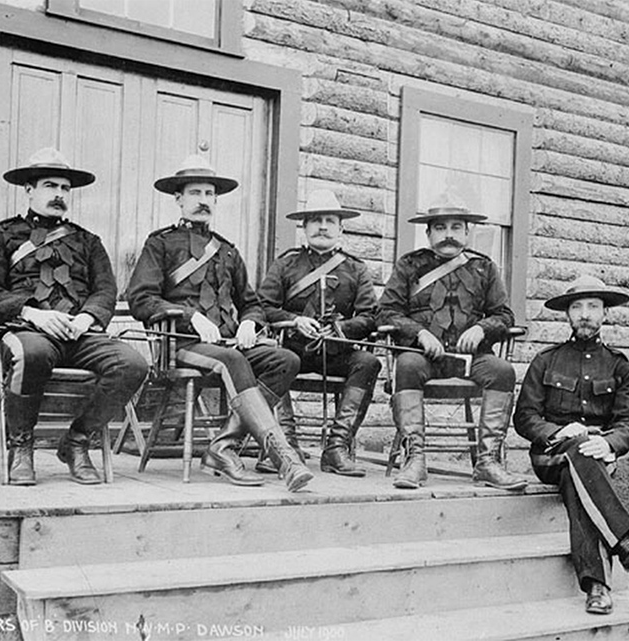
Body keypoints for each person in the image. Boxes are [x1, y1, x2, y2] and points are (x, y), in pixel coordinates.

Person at [125, 155, 313, 492]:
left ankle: (222, 447)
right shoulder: (161, 244)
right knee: (233, 360)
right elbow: (140, 299)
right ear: (178, 199)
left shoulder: (227, 251)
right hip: (181, 346)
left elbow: (252, 303)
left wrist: (250, 324)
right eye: (194, 192)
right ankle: (285, 458)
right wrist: (189, 315)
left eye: (209, 194)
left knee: (285, 360)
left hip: (228, 346)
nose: (202, 200)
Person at [0, 147, 149, 486]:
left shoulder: (88, 241)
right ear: (30, 190)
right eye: (50, 186)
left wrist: (86, 318)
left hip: (79, 333)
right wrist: (33, 315)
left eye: (64, 188)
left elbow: (105, 291)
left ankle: (78, 440)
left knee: (133, 365)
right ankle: (21, 446)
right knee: (33, 353)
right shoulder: (1, 235)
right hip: (29, 330)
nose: (58, 194)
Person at [513, 275, 629, 615]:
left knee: (579, 478)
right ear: (567, 315)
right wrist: (559, 432)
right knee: (577, 449)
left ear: (605, 313)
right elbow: (524, 418)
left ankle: (597, 587)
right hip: (550, 456)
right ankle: (624, 541)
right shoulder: (546, 360)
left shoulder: (619, 365)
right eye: (577, 307)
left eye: (593, 306)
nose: (585, 314)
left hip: (597, 458)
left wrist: (609, 444)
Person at [377, 195, 527, 492]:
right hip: (423, 357)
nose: (448, 234)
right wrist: (418, 332)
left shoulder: (484, 268)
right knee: (405, 364)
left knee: (502, 370)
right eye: (441, 227)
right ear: (428, 233)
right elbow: (385, 311)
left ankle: (487, 462)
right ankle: (415, 459)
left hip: (472, 359)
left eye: (456, 227)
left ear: (467, 233)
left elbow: (504, 315)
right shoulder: (410, 266)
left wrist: (482, 328)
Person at [257, 189, 381, 477]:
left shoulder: (356, 269)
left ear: (341, 228)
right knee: (276, 360)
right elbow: (262, 306)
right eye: (314, 220)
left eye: (329, 220)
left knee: (369, 363)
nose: (322, 226)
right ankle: (285, 444)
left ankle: (337, 448)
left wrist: (340, 328)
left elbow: (371, 316)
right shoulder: (286, 263)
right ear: (304, 227)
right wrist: (294, 320)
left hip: (337, 350)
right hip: (293, 349)